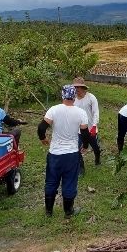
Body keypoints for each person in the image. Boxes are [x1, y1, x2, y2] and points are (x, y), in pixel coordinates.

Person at [37, 85, 89, 218]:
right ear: (74, 97)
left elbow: (41, 127)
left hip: (55, 153)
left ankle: (49, 211)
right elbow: (84, 133)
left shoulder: (53, 110)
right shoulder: (80, 113)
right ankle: (68, 211)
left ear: (62, 95)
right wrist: (85, 145)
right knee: (70, 181)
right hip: (71, 153)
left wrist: (43, 138)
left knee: (51, 181)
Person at [72, 77, 101, 166]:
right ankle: (81, 168)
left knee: (95, 147)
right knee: (77, 149)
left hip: (90, 128)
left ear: (83, 88)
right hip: (78, 130)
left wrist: (94, 126)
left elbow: (96, 112)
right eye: (75, 87)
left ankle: (97, 159)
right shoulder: (73, 99)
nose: (76, 89)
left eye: (78, 87)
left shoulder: (91, 98)